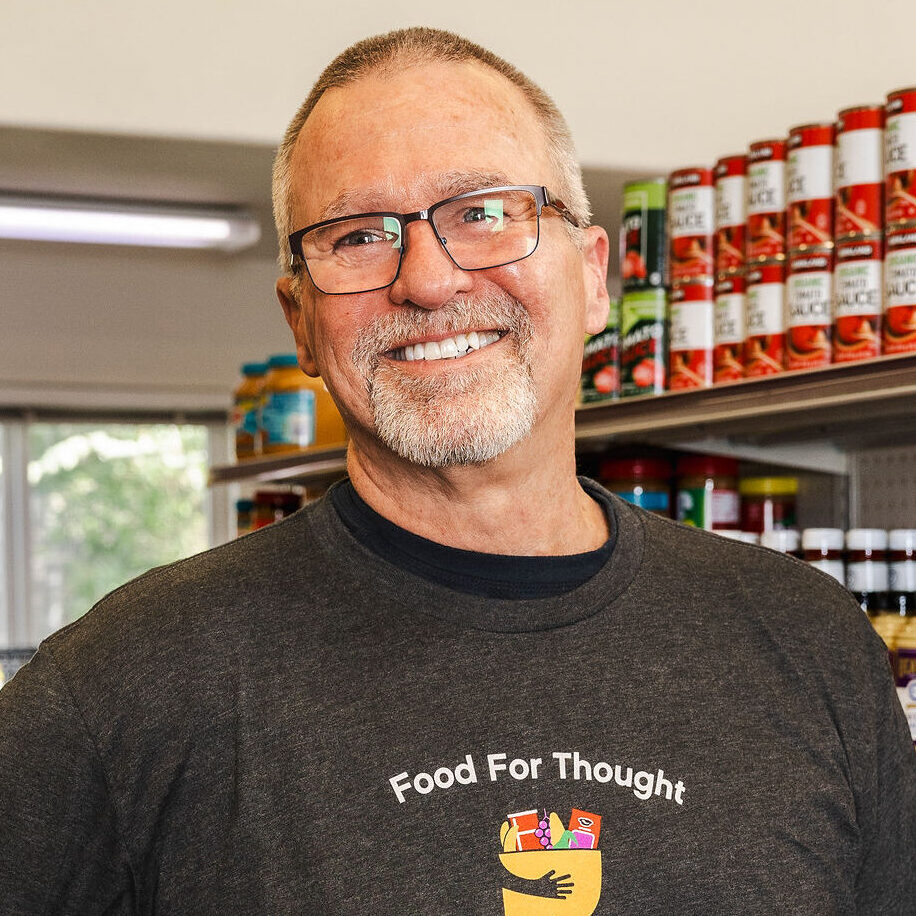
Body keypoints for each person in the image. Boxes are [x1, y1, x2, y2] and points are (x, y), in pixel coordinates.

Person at [1, 27, 914, 915]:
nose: (429, 282)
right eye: (358, 236)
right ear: (301, 322)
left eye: (483, 213)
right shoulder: (125, 687)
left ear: (595, 277)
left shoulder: (809, 641)